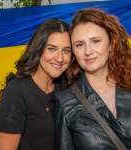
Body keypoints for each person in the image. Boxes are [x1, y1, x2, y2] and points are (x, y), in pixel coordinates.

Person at [55, 8, 131, 150]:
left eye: (95, 41)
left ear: (111, 43)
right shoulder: (65, 102)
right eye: (79, 45)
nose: (88, 51)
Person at [0, 18, 72, 150]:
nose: (60, 58)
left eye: (66, 50)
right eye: (52, 49)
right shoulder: (16, 92)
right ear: (38, 48)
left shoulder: (65, 87)